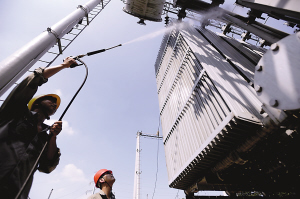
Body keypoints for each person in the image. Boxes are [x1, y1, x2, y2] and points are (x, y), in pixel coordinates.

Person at [0, 57, 77, 199]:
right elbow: (33, 79)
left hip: (16, 193)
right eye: (51, 100)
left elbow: (47, 166)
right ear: (35, 102)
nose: (55, 104)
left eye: (56, 104)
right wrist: (63, 65)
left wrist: (53, 137)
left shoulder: (46, 135)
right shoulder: (15, 110)